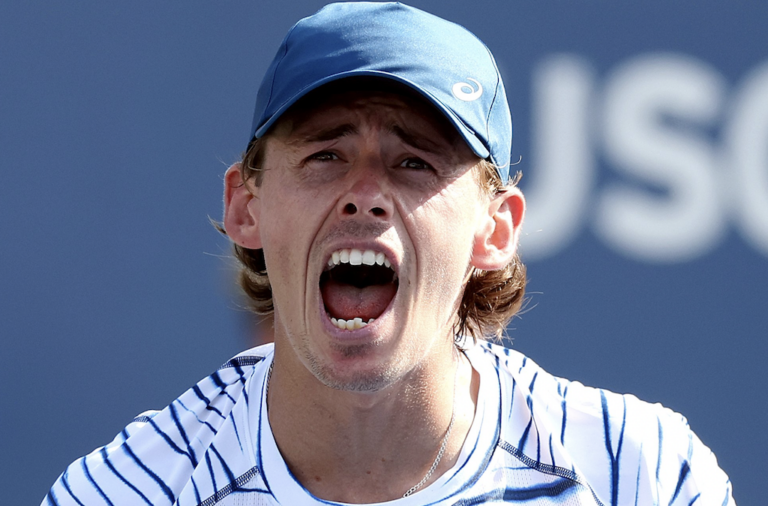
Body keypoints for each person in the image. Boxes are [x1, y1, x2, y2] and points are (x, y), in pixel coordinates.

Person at [43, 3, 735, 505]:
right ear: (244, 208)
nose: (364, 194)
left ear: (495, 230)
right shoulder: (124, 493)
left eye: (413, 162)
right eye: (326, 154)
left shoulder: (644, 477)